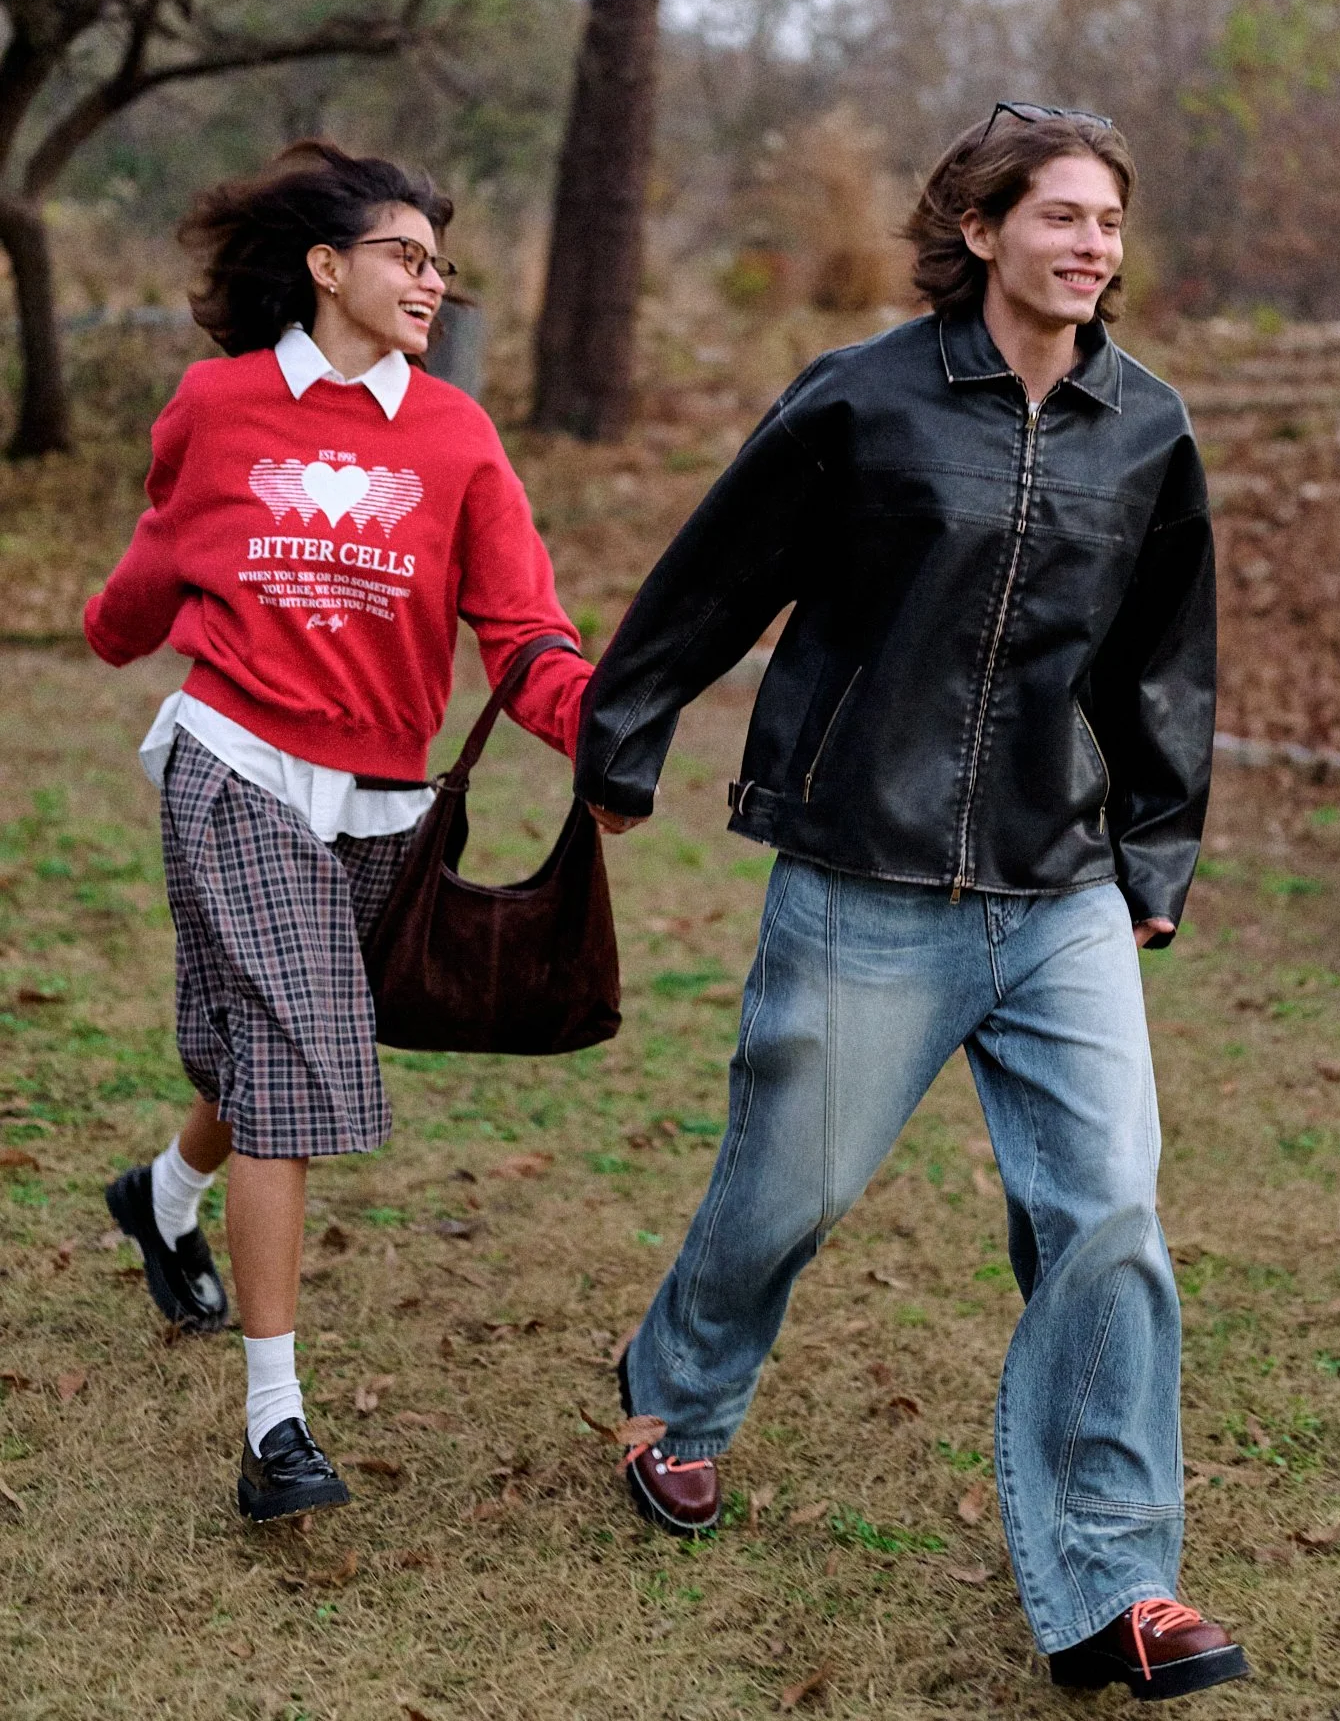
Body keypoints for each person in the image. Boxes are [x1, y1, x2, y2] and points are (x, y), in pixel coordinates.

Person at [577, 106, 1250, 1702]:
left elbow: (1166, 657)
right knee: (785, 1191)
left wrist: (1156, 853)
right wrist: (627, 731)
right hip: (865, 872)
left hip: (1061, 882)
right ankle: (679, 1389)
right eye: (1063, 217)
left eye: (1110, 223)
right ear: (979, 230)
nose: (1093, 247)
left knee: (1109, 1212)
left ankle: (1117, 1575)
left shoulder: (1144, 428)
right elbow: (716, 573)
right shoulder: (862, 400)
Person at [88, 141, 591, 1525]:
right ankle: (276, 1425)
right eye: (405, 256)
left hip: (382, 798)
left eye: (440, 262)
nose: (432, 280)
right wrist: (119, 621)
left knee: (263, 1045)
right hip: (236, 760)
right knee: (307, 1053)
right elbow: (167, 541)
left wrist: (599, 726)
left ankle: (163, 1196)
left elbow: (522, 627)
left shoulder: (456, 436)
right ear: (328, 268)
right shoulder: (220, 402)